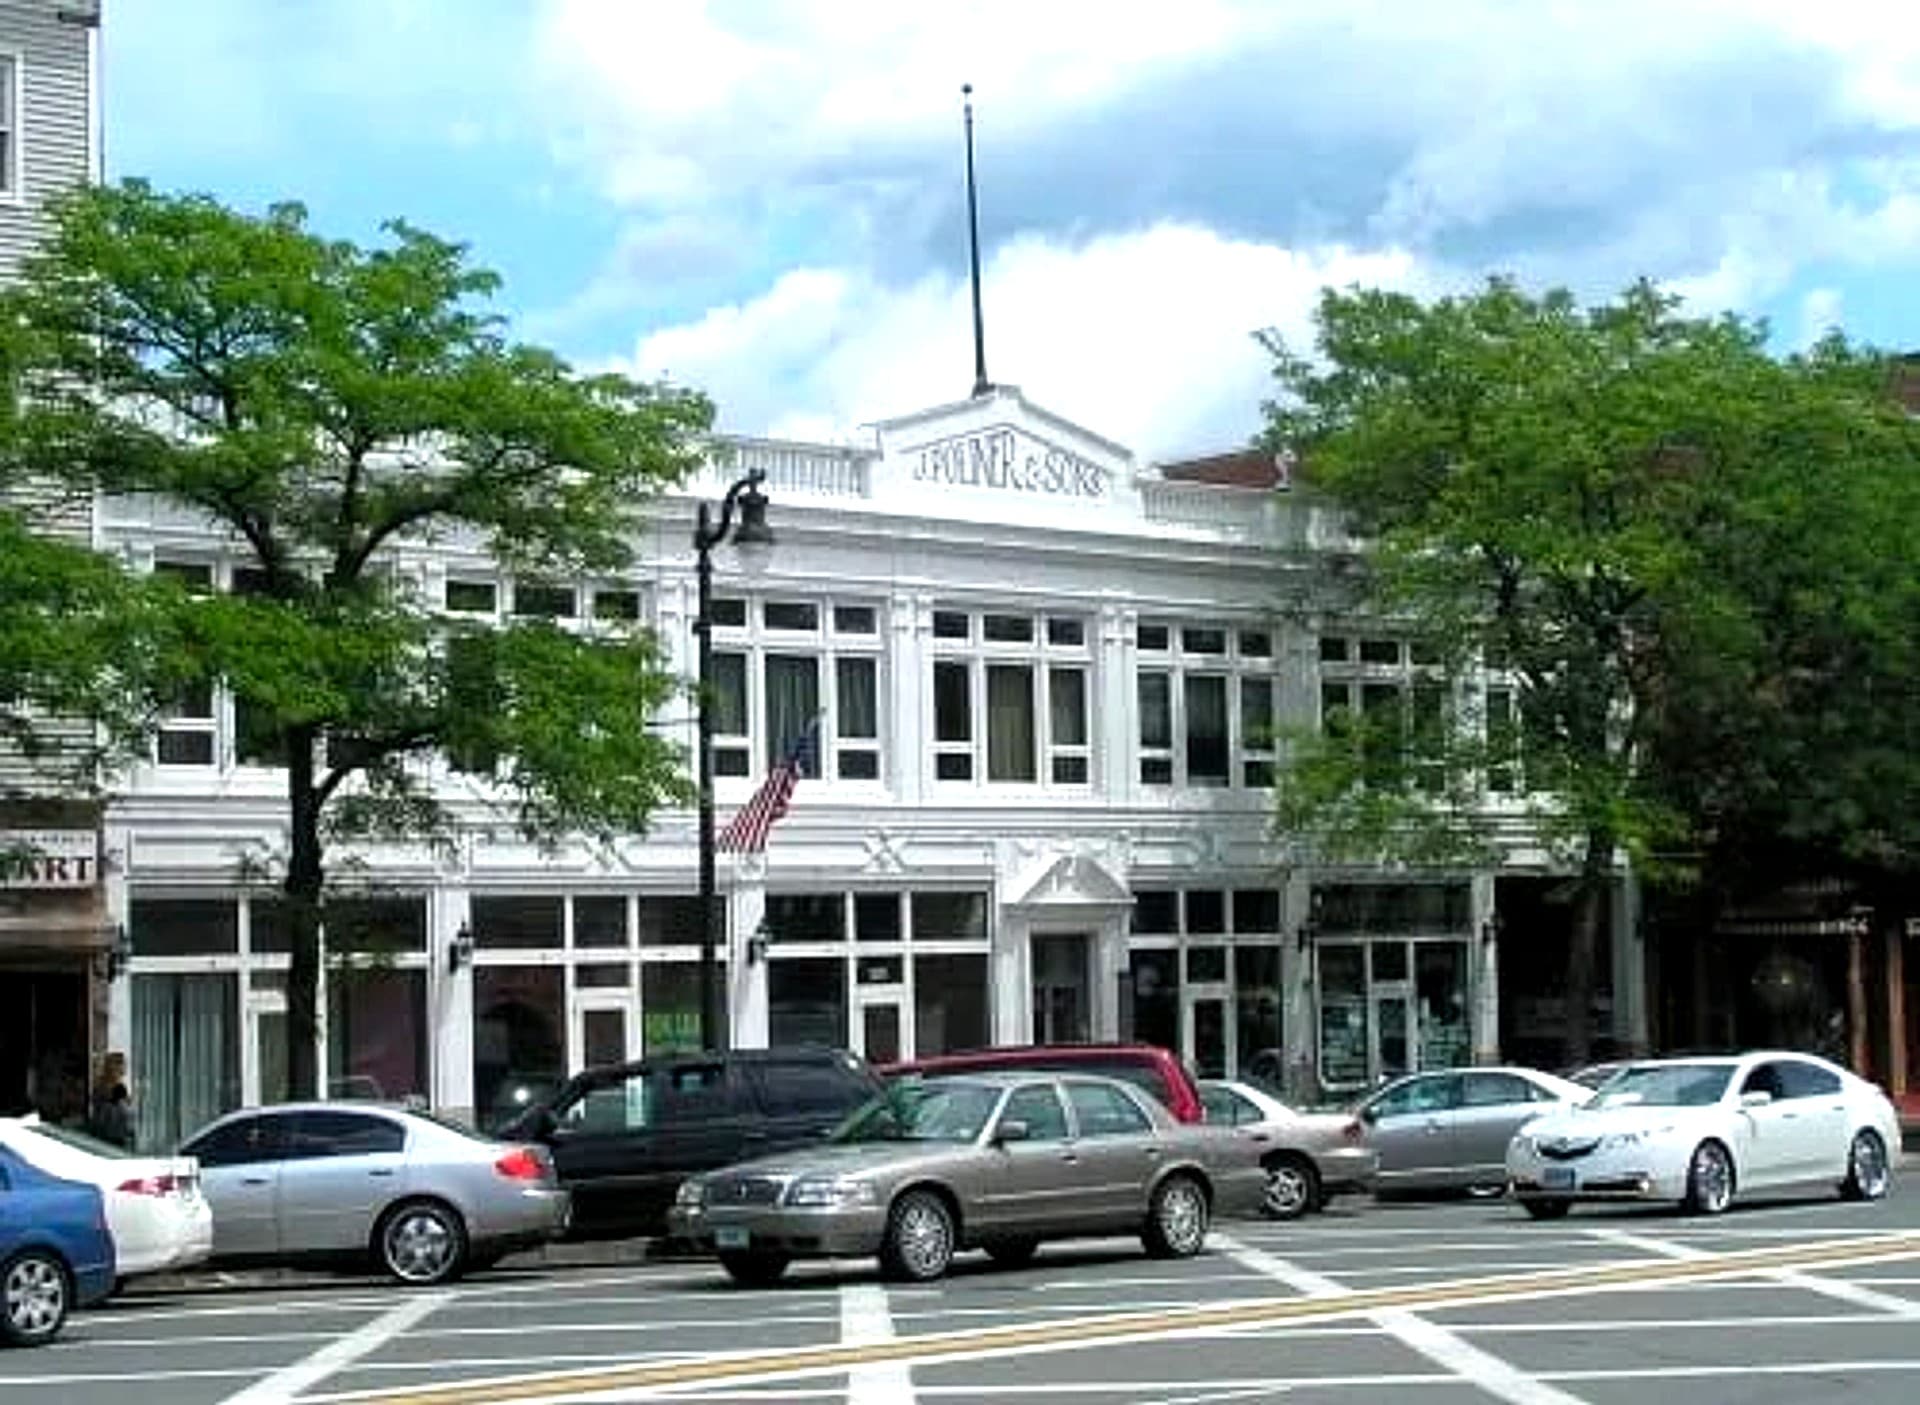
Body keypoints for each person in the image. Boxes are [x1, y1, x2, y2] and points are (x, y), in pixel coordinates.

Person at [87, 1051, 136, 1150]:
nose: (125, 1068)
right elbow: (125, 1111)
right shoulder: (117, 1088)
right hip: (113, 1135)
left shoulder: (100, 1085)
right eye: (123, 1064)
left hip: (101, 1133)